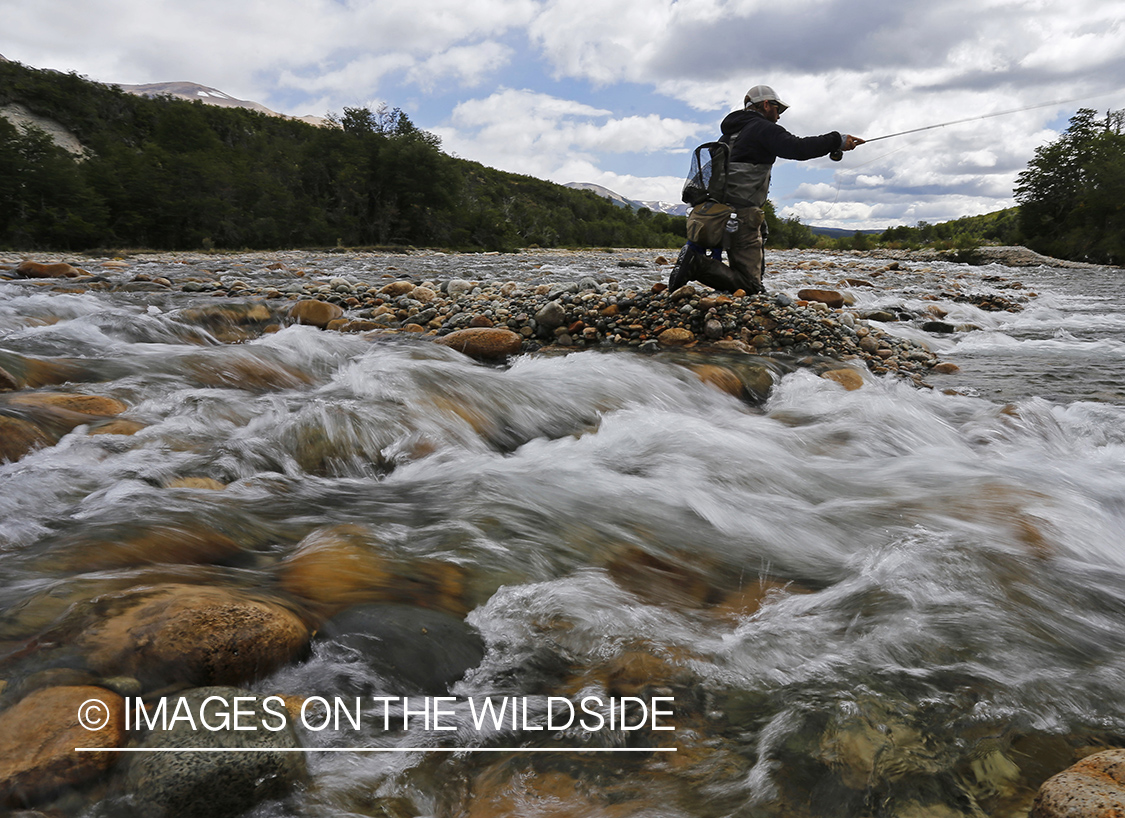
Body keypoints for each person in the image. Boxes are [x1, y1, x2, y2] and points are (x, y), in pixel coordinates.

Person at [669, 85, 864, 294]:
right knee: (751, 286)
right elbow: (798, 148)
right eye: (778, 109)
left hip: (719, 212)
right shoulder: (763, 128)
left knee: (759, 238)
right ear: (765, 105)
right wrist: (836, 140)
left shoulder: (729, 134)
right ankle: (696, 263)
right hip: (742, 215)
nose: (779, 116)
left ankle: (698, 265)